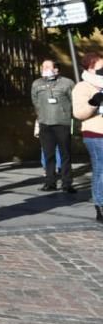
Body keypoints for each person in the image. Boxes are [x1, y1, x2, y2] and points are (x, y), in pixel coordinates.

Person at [32, 59, 75, 193]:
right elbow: (35, 101)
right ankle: (50, 182)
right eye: (43, 66)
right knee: (48, 154)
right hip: (45, 123)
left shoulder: (67, 83)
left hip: (62, 123)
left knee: (65, 154)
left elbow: (73, 101)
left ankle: (67, 183)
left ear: (56, 69)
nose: (44, 68)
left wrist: (66, 113)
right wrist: (41, 116)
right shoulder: (37, 84)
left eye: (48, 66)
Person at [72, 52, 103, 223]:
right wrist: (94, 102)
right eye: (101, 67)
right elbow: (78, 113)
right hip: (96, 133)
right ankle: (100, 205)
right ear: (91, 68)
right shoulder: (83, 87)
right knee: (101, 169)